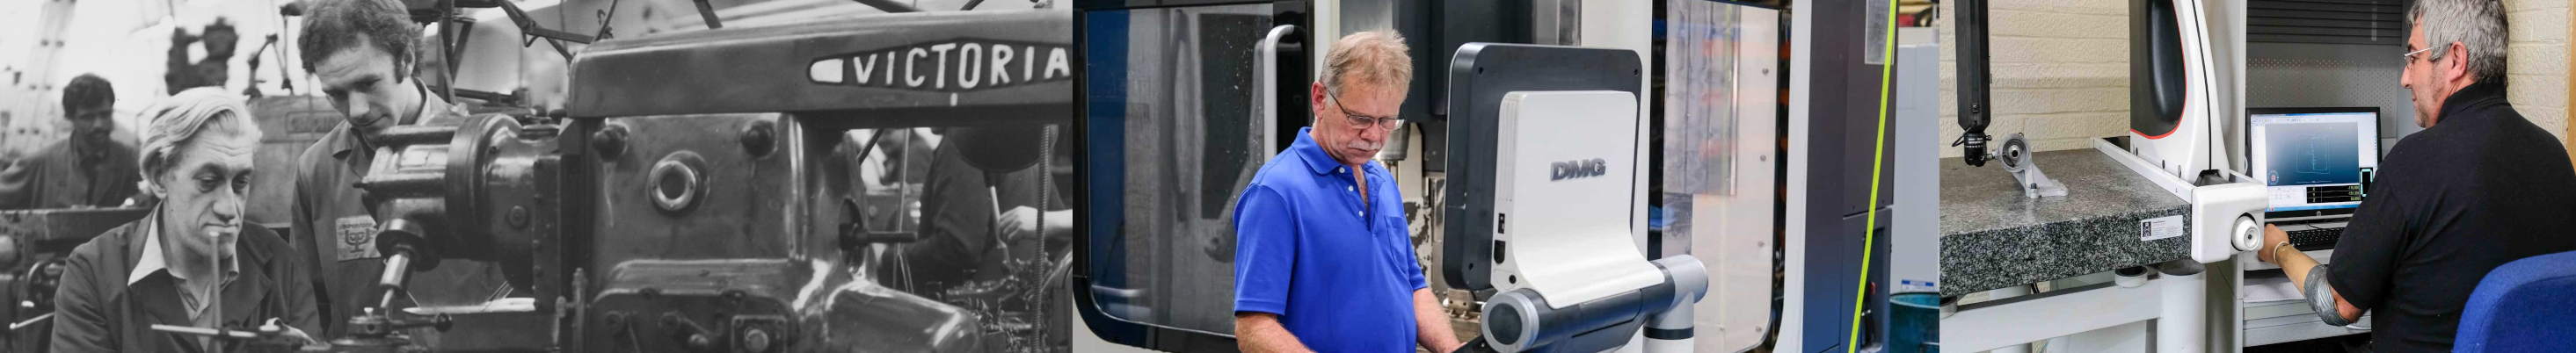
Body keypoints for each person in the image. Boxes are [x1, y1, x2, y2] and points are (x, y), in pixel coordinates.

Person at [2256, 0, 2576, 351]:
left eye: (2413, 58)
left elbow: (2337, 304)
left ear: (2456, 59)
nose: (2406, 78)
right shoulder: (2555, 156)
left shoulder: (2414, 161)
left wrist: (2280, 249)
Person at [289, 0, 515, 343]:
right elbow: (306, 306)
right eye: (336, 94)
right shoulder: (317, 170)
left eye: (368, 84)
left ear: (406, 59)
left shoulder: (485, 155)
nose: (357, 110)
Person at [1231, 31, 1460, 353]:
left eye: (1386, 120)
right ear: (1320, 99)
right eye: (1360, 118)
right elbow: (1254, 328)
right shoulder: (1276, 193)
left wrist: (1452, 349)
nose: (1373, 136)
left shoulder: (1382, 180)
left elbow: (1414, 289)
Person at [49, 88, 321, 353]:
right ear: (159, 177)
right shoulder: (94, 272)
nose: (228, 208)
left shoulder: (283, 266)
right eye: (208, 182)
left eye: (240, 183)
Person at [0, 74, 142, 210]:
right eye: (88, 117)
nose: (99, 124)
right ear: (70, 119)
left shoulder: (133, 161)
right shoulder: (40, 163)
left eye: (105, 114)